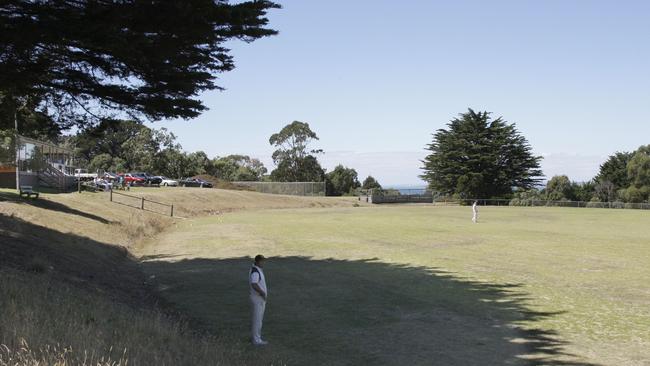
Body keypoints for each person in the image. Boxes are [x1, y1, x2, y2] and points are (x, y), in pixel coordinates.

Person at [249, 254, 268, 346]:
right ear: (257, 262)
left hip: (258, 298)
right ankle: (256, 340)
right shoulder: (255, 272)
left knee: (258, 319)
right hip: (257, 298)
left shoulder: (257, 270)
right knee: (257, 320)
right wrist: (262, 293)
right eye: (262, 261)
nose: (263, 263)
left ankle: (256, 338)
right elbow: (254, 284)